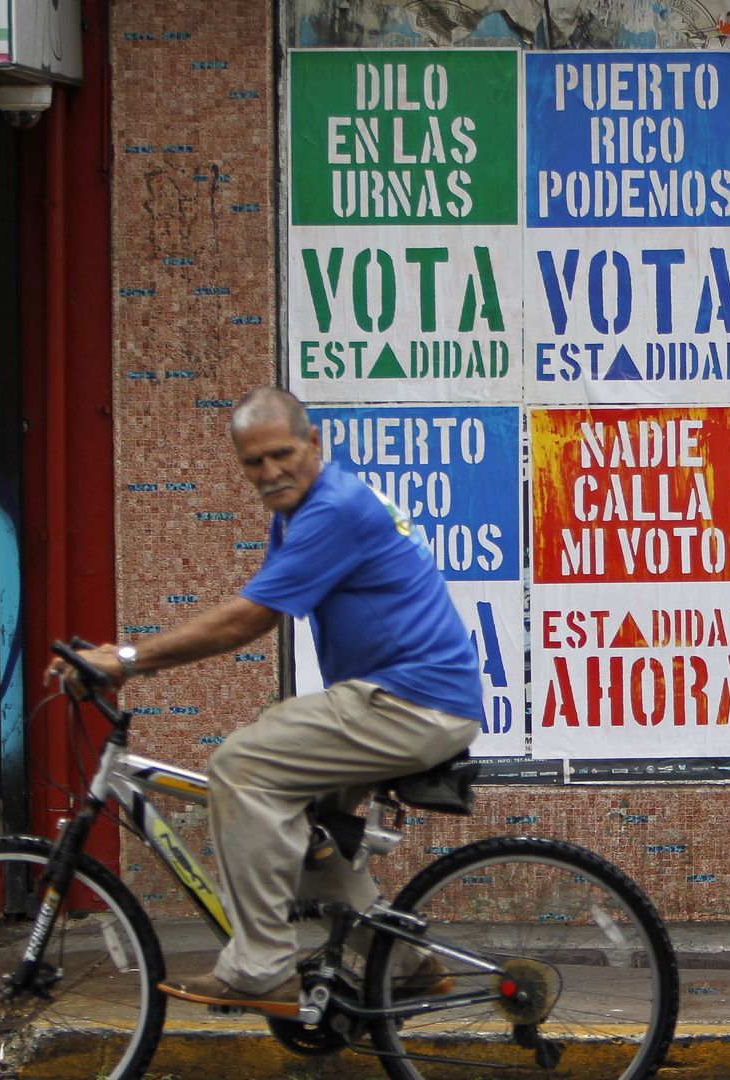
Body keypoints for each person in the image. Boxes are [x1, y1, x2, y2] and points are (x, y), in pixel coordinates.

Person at [45, 386, 482, 1016]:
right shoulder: (298, 514)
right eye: (253, 462)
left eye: (281, 454)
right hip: (402, 698)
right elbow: (256, 608)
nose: (270, 472)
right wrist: (123, 657)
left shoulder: (333, 508)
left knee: (241, 766)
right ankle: (409, 966)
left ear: (314, 444)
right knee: (303, 837)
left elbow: (246, 621)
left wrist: (131, 660)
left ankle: (260, 968)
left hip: (411, 701)